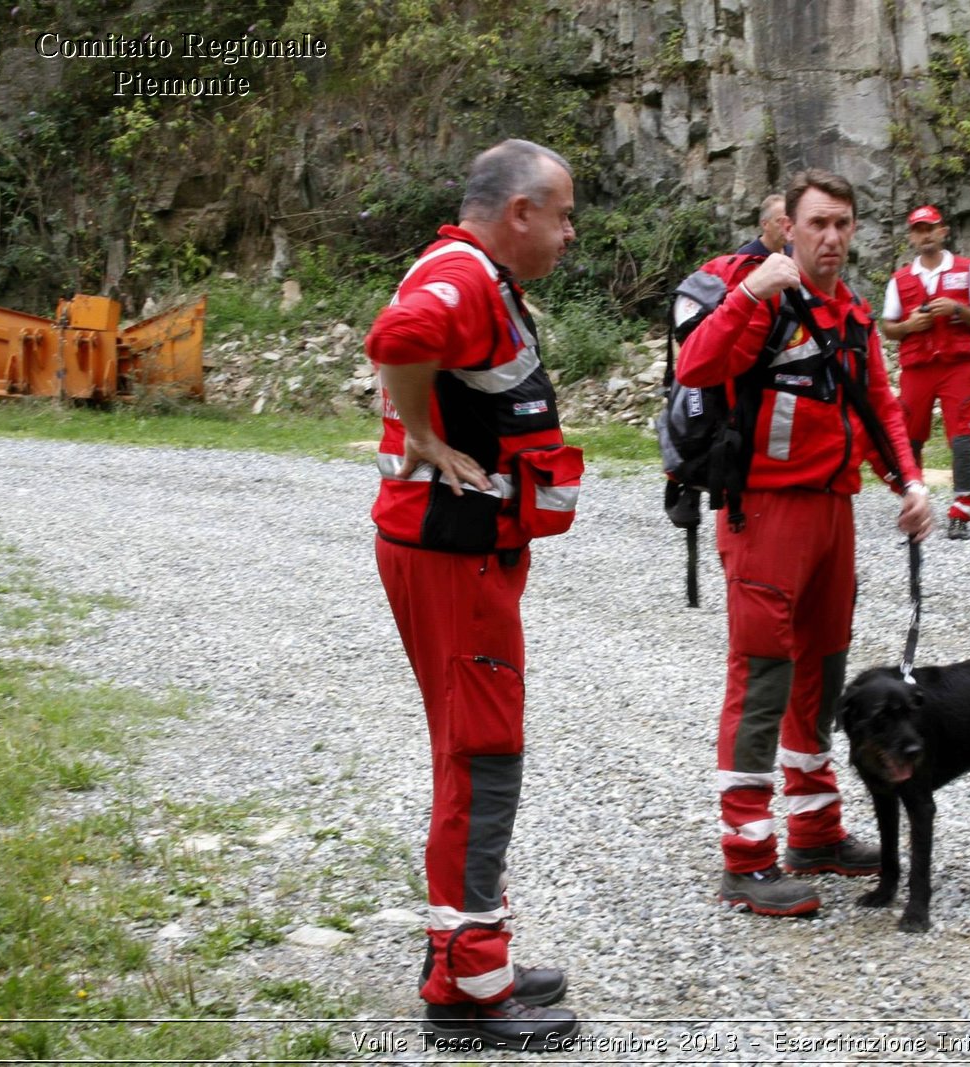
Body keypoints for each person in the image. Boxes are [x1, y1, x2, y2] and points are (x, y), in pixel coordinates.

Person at [363, 139, 581, 1052]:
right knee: (483, 754)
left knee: (473, 750)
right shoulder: (461, 275)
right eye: (562, 215)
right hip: (454, 561)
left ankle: (467, 949)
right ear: (519, 212)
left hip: (460, 556)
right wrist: (420, 430)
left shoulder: (477, 275)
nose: (570, 234)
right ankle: (467, 987)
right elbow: (398, 338)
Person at [676, 169, 935, 917]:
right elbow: (698, 365)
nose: (831, 237)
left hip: (832, 512)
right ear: (788, 226)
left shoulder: (851, 310)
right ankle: (746, 859)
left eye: (843, 224)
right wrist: (753, 293)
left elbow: (878, 403)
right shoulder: (763, 298)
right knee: (761, 682)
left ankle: (816, 831)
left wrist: (910, 481)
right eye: (818, 223)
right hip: (763, 512)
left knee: (821, 678)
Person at [878, 205, 970, 540]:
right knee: (908, 434)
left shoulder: (968, 269)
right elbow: (888, 326)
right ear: (911, 236)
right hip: (917, 368)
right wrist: (910, 325)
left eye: (930, 228)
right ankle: (911, 502)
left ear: (943, 231)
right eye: (918, 229)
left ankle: (964, 508)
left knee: (961, 434)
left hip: (955, 366)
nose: (925, 235)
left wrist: (957, 309)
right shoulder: (899, 279)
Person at [736, 192, 790, 256]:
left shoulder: (793, 252)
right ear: (765, 224)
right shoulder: (747, 255)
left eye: (788, 220)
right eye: (779, 221)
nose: (786, 226)